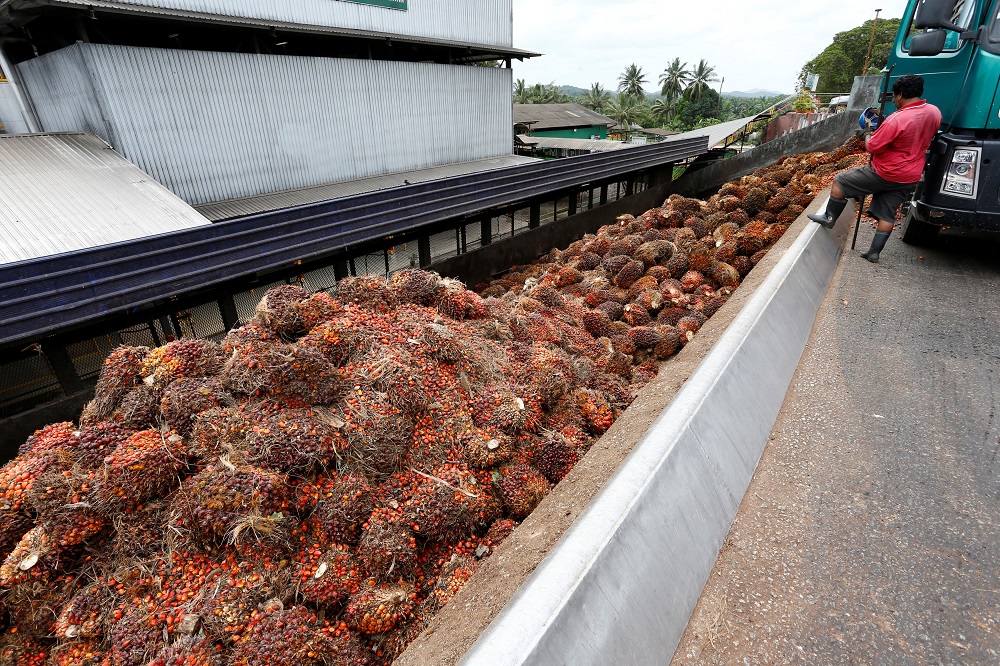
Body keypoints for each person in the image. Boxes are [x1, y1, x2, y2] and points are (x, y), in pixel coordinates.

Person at [808, 74, 942, 263]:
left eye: (894, 97)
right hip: (910, 175)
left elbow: (873, 146)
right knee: (887, 213)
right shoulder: (934, 112)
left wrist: (867, 134)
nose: (894, 101)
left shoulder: (897, 119)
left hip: (885, 172)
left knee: (840, 181)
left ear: (901, 94)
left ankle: (829, 218)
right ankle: (874, 253)